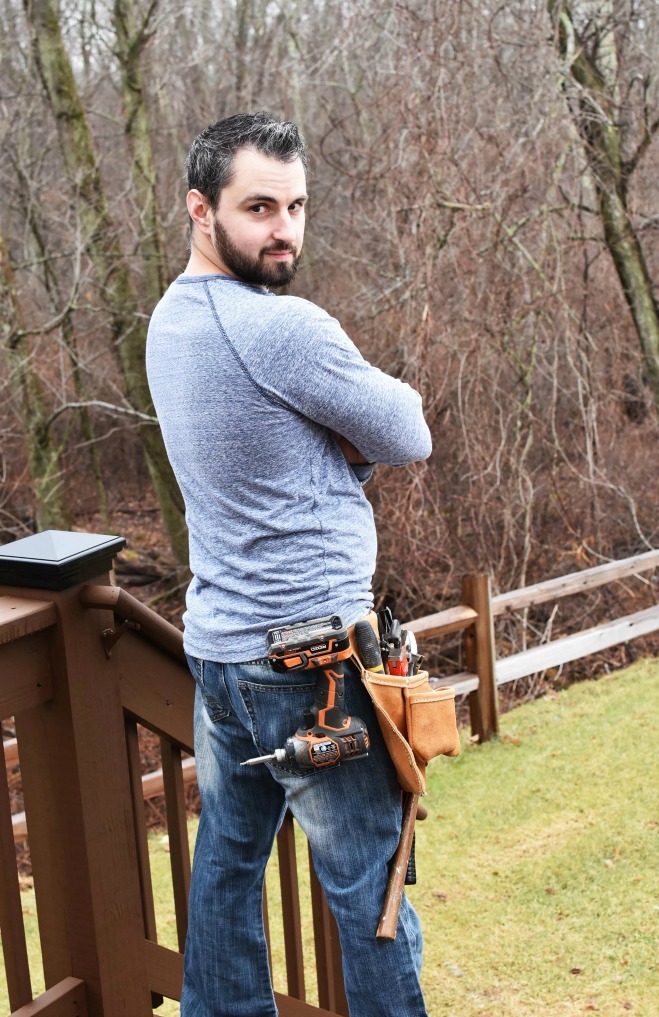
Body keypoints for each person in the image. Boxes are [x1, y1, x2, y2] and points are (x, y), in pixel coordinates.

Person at [146, 112, 432, 1017]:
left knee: (227, 875)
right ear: (201, 208)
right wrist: (343, 448)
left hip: (223, 657)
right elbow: (409, 431)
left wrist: (329, 448)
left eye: (297, 205)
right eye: (259, 206)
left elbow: (274, 447)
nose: (285, 229)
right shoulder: (285, 330)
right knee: (370, 891)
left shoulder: (168, 320)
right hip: (310, 667)